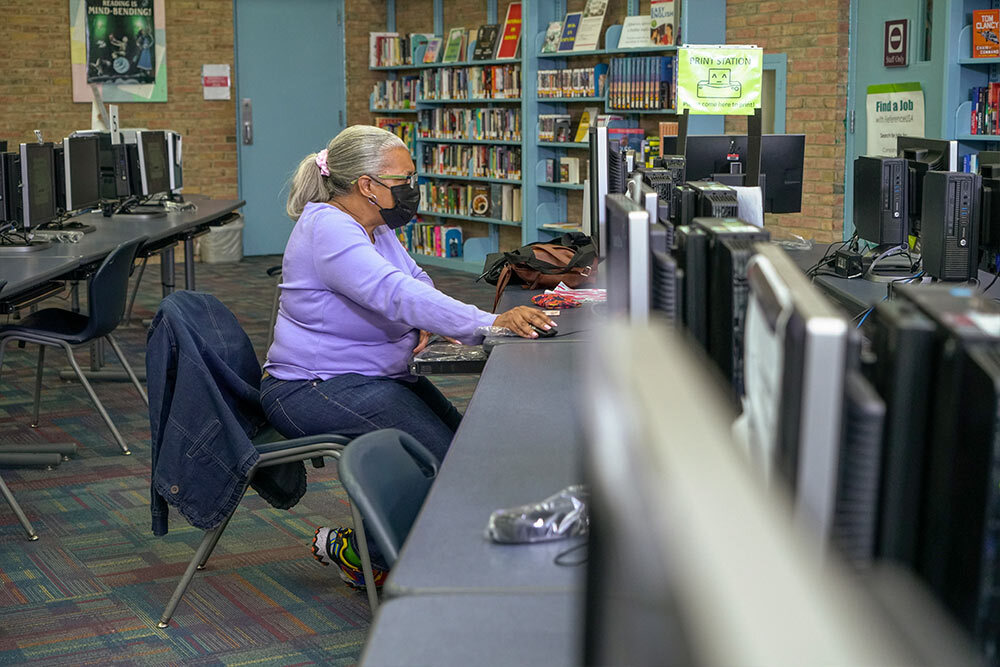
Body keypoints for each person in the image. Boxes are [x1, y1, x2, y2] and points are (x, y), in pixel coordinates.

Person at [262, 125, 556, 589]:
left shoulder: (371, 224)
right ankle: (367, 554)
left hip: (372, 376)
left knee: (466, 445)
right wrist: (486, 322)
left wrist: (428, 318)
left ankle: (416, 549)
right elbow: (390, 291)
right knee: (433, 461)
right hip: (314, 386)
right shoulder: (329, 228)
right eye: (403, 181)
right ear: (367, 186)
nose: (411, 190)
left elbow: (413, 278)